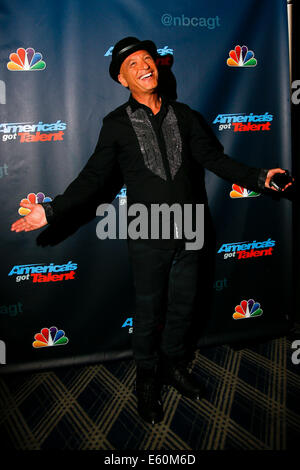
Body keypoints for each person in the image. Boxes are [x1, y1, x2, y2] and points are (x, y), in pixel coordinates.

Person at [11, 37, 292, 425]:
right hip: (148, 236)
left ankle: (174, 366)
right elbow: (92, 179)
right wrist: (52, 209)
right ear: (122, 80)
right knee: (148, 315)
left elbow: (216, 160)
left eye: (148, 59)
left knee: (183, 308)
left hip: (192, 232)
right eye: (133, 64)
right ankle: (147, 380)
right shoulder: (115, 125)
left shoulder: (187, 116)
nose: (145, 66)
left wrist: (260, 177)